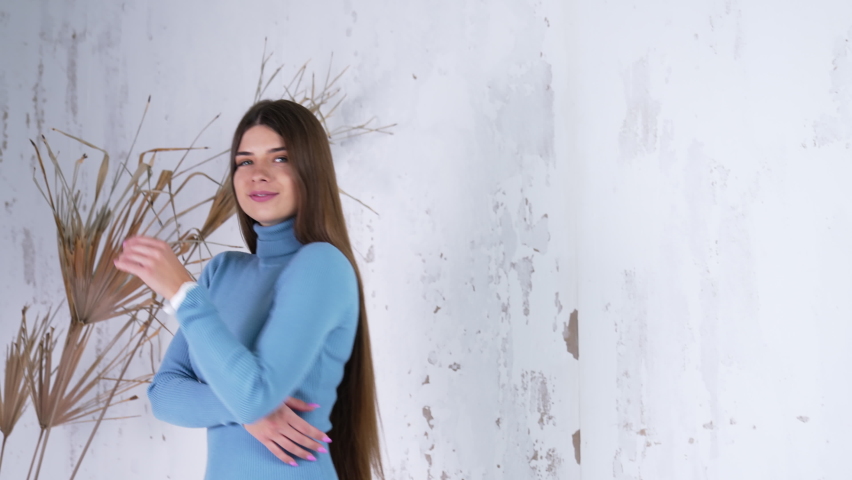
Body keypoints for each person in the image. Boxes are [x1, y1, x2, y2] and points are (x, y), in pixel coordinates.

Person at [114, 99, 383, 480]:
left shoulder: (322, 265)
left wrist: (181, 291)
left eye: (279, 158)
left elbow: (254, 394)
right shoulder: (223, 271)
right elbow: (165, 396)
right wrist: (250, 414)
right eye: (245, 161)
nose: (258, 174)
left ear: (311, 169)